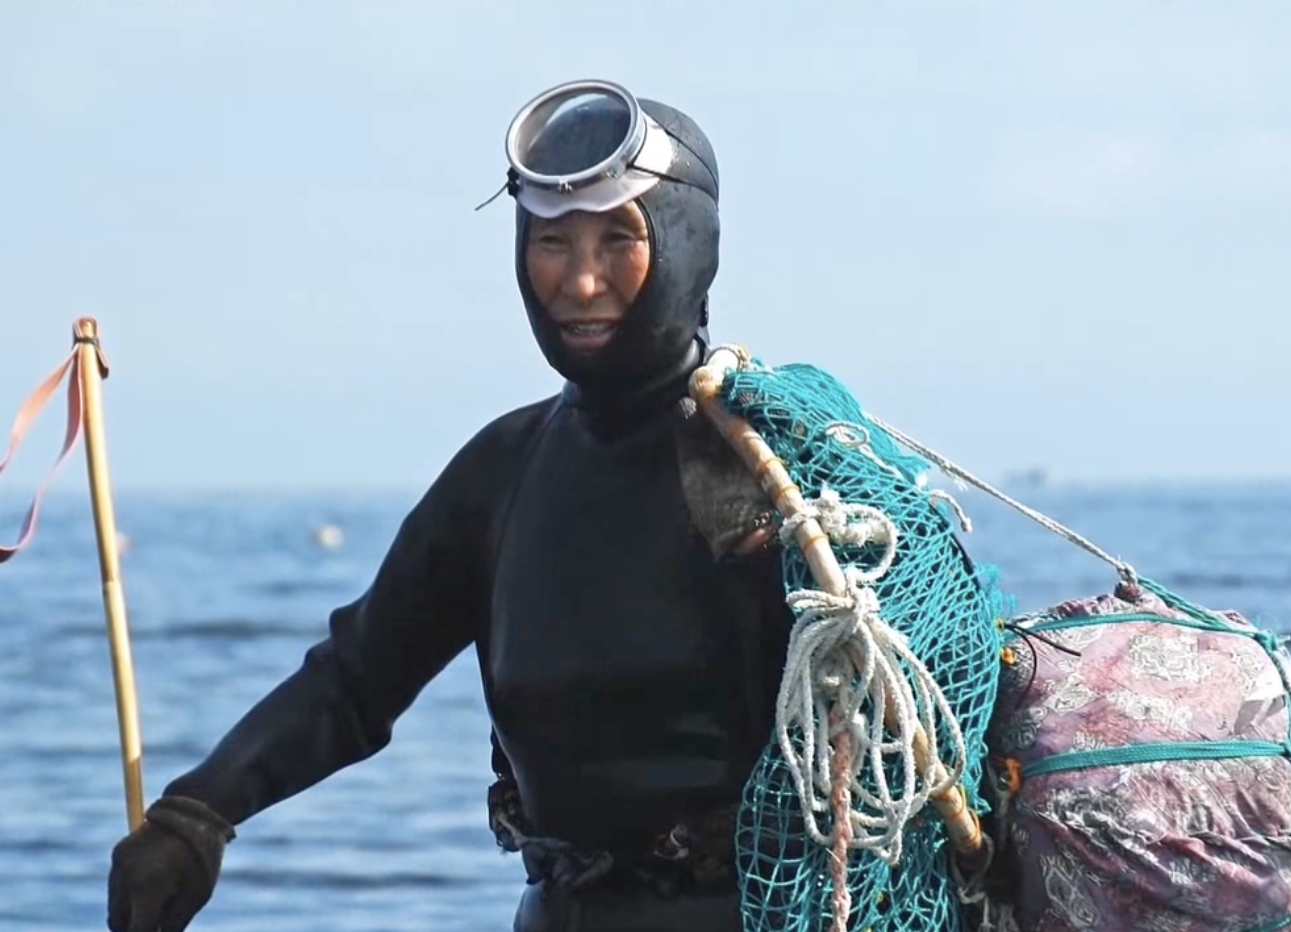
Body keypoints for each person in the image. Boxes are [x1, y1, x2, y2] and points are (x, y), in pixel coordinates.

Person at [105, 79, 798, 932]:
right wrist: (199, 815)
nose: (580, 281)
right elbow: (357, 682)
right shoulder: (503, 473)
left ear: (691, 243)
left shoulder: (780, 466)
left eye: (618, 238)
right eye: (552, 242)